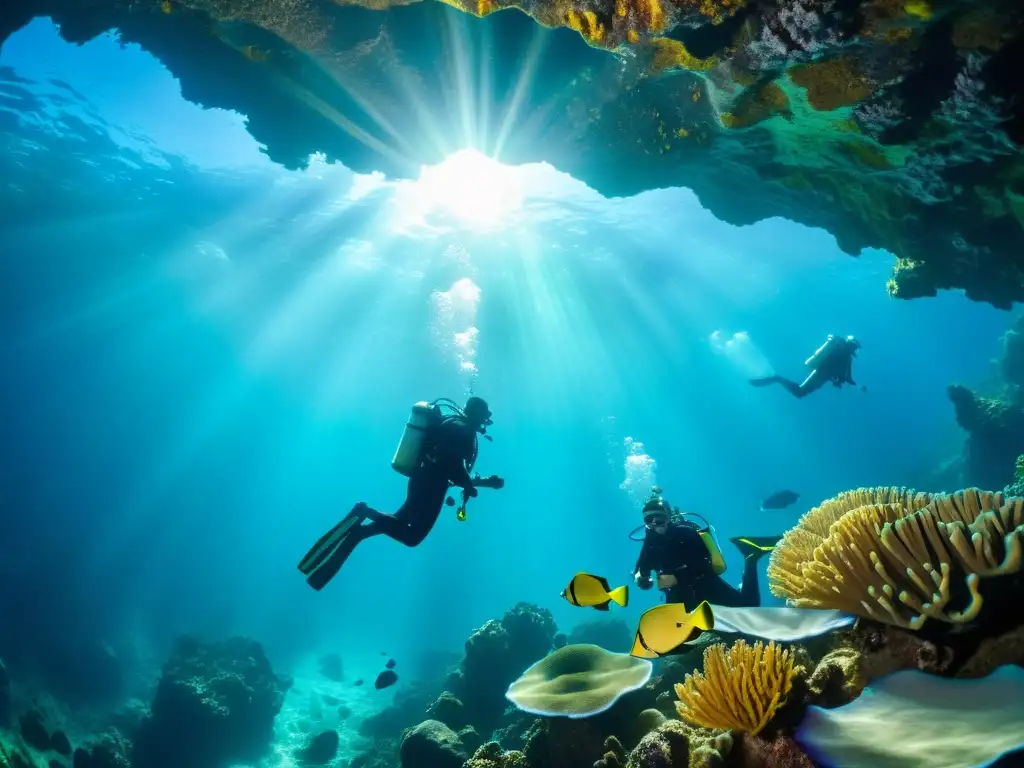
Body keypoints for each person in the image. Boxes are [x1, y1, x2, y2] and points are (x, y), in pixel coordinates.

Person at [299, 396, 504, 591]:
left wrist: (484, 482)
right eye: (484, 416)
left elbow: (451, 467)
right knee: (412, 537)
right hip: (431, 486)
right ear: (477, 414)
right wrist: (469, 485)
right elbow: (451, 463)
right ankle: (364, 512)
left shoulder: (453, 424)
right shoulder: (464, 429)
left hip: (424, 479)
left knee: (399, 521)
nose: (485, 421)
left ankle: (360, 533)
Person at [632, 490, 779, 608]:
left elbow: (703, 564)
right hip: (677, 594)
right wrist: (643, 579)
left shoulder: (685, 533)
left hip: (705, 584)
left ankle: (750, 556)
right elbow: (643, 567)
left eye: (659, 519)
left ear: (669, 517)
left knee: (749, 606)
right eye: (649, 521)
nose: (655, 525)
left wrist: (676, 577)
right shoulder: (649, 543)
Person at [749, 334, 863, 399]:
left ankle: (776, 378)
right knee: (799, 392)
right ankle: (777, 378)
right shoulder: (845, 357)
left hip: (821, 376)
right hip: (820, 375)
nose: (855, 351)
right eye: (855, 349)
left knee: (800, 392)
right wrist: (856, 385)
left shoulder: (843, 355)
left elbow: (844, 376)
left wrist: (840, 380)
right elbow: (846, 377)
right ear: (851, 347)